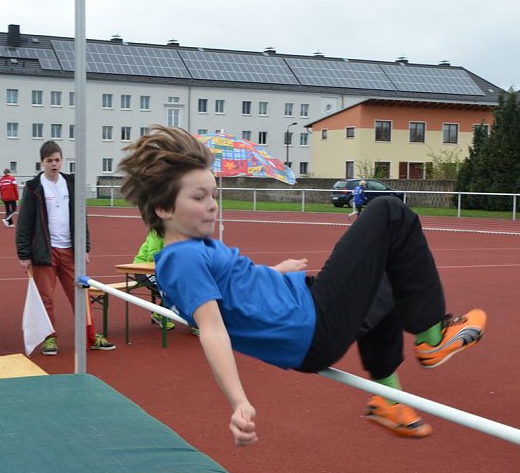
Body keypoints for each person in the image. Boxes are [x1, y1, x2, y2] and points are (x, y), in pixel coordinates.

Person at [118, 126, 487, 446]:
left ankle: (388, 399)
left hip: (306, 306)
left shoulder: (194, 249)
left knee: (389, 273)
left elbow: (239, 289)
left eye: (213, 194)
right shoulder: (182, 259)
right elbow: (213, 330)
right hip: (311, 324)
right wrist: (239, 402)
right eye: (199, 198)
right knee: (389, 213)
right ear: (164, 209)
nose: (212, 206)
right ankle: (432, 340)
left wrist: (276, 271)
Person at [15, 140, 115, 355]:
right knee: (46, 298)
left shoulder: (71, 183)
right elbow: (24, 222)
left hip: (71, 251)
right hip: (45, 251)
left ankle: (90, 336)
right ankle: (49, 338)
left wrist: (85, 247)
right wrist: (23, 254)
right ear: (42, 162)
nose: (54, 164)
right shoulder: (34, 188)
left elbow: (82, 218)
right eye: (49, 160)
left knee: (80, 294)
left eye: (57, 160)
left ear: (62, 161)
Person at [132, 229, 199, 335]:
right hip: (144, 269)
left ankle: (196, 322)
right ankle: (161, 313)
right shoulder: (157, 232)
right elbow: (153, 256)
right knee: (170, 289)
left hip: (165, 271)